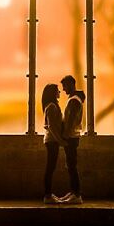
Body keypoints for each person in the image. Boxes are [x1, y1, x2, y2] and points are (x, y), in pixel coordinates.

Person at [58, 75, 85, 204]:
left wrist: (65, 136)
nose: (63, 89)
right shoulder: (75, 99)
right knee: (70, 165)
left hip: (71, 137)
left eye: (65, 86)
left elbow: (70, 120)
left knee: (72, 166)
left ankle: (76, 194)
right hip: (72, 136)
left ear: (71, 84)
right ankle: (74, 192)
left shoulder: (74, 100)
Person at [41, 83, 68, 204]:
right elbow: (52, 126)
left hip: (52, 140)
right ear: (52, 93)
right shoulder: (51, 107)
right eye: (57, 90)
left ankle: (49, 194)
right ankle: (47, 195)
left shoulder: (51, 106)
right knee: (50, 168)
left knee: (50, 168)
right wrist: (60, 140)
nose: (59, 92)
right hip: (52, 141)